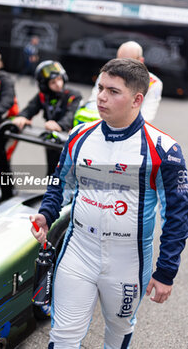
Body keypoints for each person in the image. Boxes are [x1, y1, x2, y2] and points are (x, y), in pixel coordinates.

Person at [30, 58, 188, 349]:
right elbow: (60, 183)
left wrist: (166, 271)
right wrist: (46, 214)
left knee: (118, 333)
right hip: (78, 251)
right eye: (100, 87)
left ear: (137, 99)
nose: (101, 96)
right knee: (62, 337)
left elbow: (177, 216)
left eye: (113, 91)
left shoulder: (165, 149)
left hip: (127, 260)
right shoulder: (78, 137)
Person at [13, 60, 82, 175]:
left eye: (59, 79)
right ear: (45, 85)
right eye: (53, 82)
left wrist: (60, 125)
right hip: (52, 140)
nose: (58, 84)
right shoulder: (43, 96)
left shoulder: (73, 95)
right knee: (52, 174)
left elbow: (71, 114)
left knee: (67, 176)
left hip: (69, 141)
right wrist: (21, 117)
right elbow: (30, 108)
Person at [88, 41, 163, 123]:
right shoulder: (105, 75)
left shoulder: (153, 83)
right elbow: (93, 103)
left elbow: (148, 114)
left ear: (141, 61)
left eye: (129, 63)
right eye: (120, 61)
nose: (122, 66)